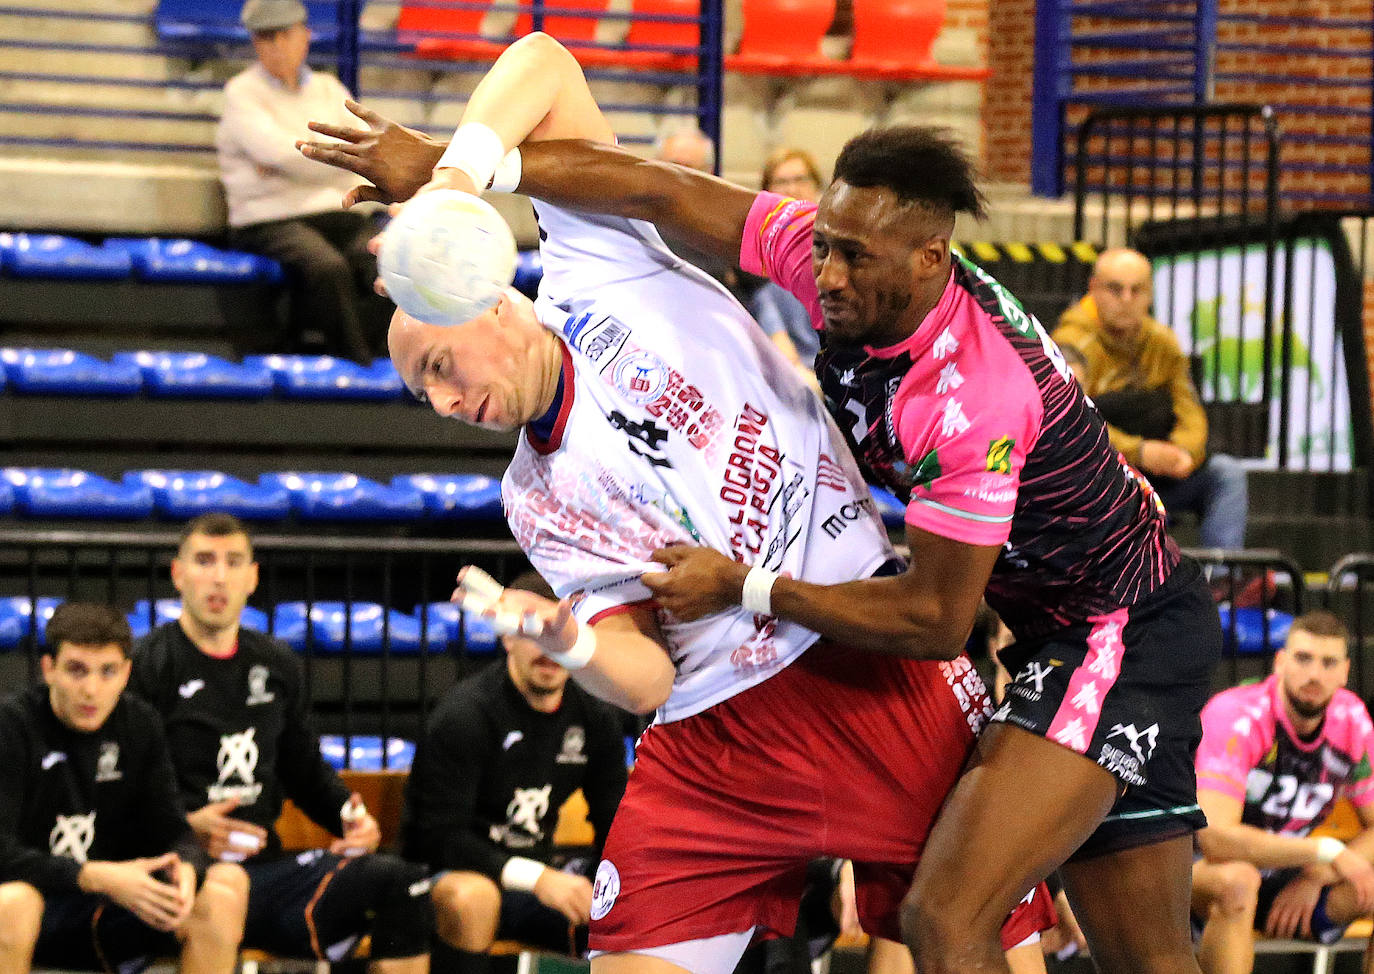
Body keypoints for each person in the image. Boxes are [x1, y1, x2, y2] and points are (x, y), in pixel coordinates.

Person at [303, 78, 1228, 974]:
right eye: (822, 247)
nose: (822, 276)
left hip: (1072, 632)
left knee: (947, 919)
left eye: (438, 365)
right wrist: (447, 174)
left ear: (928, 261)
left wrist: (744, 586)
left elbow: (938, 619)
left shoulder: (965, 398)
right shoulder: (828, 266)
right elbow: (658, 187)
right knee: (1144, 957)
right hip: (741, 709)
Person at [128, 513, 433, 974]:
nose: (218, 576)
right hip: (184, 872)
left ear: (253, 577)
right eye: (204, 560)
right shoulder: (147, 665)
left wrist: (349, 818)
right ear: (177, 574)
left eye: (233, 562)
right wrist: (186, 826)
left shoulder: (275, 663)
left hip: (267, 870)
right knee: (222, 889)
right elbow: (118, 788)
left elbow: (303, 767)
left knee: (403, 883)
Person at [0, 602, 248, 974]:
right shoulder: (12, 724)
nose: (91, 689)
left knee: (223, 889)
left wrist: (184, 871)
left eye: (108, 672)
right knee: (13, 903)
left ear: (127, 673)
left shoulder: (140, 724)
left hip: (110, 905)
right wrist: (94, 875)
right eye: (76, 670)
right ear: (48, 669)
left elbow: (175, 831)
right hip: (38, 899)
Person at [400, 571, 629, 973]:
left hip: (538, 882)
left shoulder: (594, 718)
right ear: (507, 636)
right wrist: (538, 878)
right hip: (449, 877)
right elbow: (439, 839)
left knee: (629, 905)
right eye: (533, 634)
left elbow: (617, 822)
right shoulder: (465, 714)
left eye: (558, 636)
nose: (548, 651)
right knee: (473, 897)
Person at [1192, 610, 1374, 974]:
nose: (1314, 674)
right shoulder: (1235, 716)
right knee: (1240, 881)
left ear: (1344, 672)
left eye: (1328, 663)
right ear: (1280, 662)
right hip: (1193, 870)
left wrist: (1318, 874)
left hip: (1284, 873)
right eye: (1303, 658)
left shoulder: (1352, 721)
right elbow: (1214, 840)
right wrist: (1324, 852)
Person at [217, 0, 392, 362]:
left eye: (285, 35)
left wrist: (292, 159)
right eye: (266, 38)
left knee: (387, 257)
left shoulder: (328, 88)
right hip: (268, 220)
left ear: (305, 37)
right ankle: (356, 364)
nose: (277, 46)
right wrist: (330, 158)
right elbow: (278, 152)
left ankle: (382, 358)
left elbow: (360, 148)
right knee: (327, 268)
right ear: (255, 43)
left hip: (335, 213)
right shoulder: (241, 93)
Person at [1053, 247, 1250, 550]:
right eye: (1115, 289)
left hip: (1162, 475)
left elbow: (1191, 410)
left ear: (1150, 294)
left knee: (1226, 474)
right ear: (1093, 289)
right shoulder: (1071, 345)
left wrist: (1183, 453)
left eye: (1138, 290)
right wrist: (1141, 452)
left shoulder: (1163, 342)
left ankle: (1222, 580)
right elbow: (1072, 425)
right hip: (1105, 478)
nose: (1127, 300)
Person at [750, 148, 824, 371]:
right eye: (781, 182)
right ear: (767, 192)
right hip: (787, 366)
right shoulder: (755, 244)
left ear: (817, 187)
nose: (792, 189)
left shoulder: (838, 239)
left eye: (800, 179)